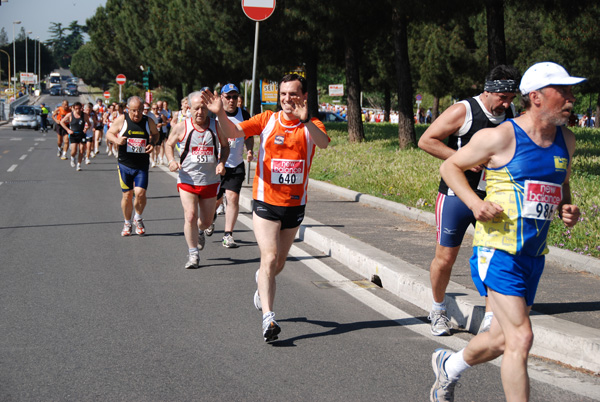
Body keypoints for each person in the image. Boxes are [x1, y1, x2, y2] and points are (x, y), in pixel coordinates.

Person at [429, 61, 584, 402]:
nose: (572, 98)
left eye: (572, 90)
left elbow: (561, 182)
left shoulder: (566, 140)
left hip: (533, 255)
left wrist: (565, 208)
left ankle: (448, 367)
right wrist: (473, 203)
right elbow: (450, 165)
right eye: (565, 91)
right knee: (521, 338)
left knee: (500, 339)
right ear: (537, 97)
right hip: (497, 251)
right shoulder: (501, 136)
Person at [205, 74, 330, 342]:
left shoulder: (311, 124)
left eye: (293, 94)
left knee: (277, 264)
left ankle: (261, 282)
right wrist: (219, 116)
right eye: (283, 94)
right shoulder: (267, 120)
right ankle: (269, 319)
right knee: (270, 257)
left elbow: (323, 143)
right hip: (265, 202)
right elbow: (234, 132)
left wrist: (306, 119)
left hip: (294, 205)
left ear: (304, 96)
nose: (287, 99)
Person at [418, 65, 520, 336]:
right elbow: (426, 141)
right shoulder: (463, 110)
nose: (507, 104)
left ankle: (490, 316)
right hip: (456, 195)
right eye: (502, 98)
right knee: (446, 257)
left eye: (511, 98)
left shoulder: (510, 114)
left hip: (494, 196)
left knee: (494, 257)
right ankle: (438, 309)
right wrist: (459, 158)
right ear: (488, 91)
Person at [164, 90, 230, 269]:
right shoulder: (182, 127)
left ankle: (200, 231)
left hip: (210, 180)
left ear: (208, 108)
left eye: (203, 108)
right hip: (187, 179)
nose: (199, 112)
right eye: (195, 109)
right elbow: (169, 144)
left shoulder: (217, 127)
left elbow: (225, 147)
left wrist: (222, 163)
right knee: (190, 215)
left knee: (206, 221)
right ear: (189, 109)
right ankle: (193, 254)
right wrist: (171, 161)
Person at [105, 96, 159, 236]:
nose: (137, 114)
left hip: (141, 165)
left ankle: (138, 217)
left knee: (140, 194)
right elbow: (109, 133)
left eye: (140, 110)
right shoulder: (122, 120)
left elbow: (156, 134)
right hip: (125, 164)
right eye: (134, 110)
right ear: (128, 109)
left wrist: (152, 144)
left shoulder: (148, 121)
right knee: (127, 195)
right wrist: (117, 139)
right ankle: (127, 222)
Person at [214, 83, 254, 248]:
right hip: (215, 166)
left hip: (235, 164)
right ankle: (210, 220)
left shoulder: (244, 114)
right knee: (214, 202)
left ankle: (228, 235)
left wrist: (250, 150)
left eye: (234, 97)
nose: (231, 100)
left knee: (232, 198)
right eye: (228, 97)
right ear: (222, 98)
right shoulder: (214, 114)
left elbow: (249, 135)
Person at [60, 101, 92, 171]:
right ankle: (72, 157)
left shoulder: (84, 115)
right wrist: (68, 130)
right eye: (76, 109)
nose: (78, 110)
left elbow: (89, 124)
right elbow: (61, 122)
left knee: (81, 150)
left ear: (81, 108)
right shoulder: (70, 115)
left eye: (79, 109)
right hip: (73, 134)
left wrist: (86, 128)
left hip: (81, 134)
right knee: (73, 150)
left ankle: (79, 164)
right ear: (74, 108)